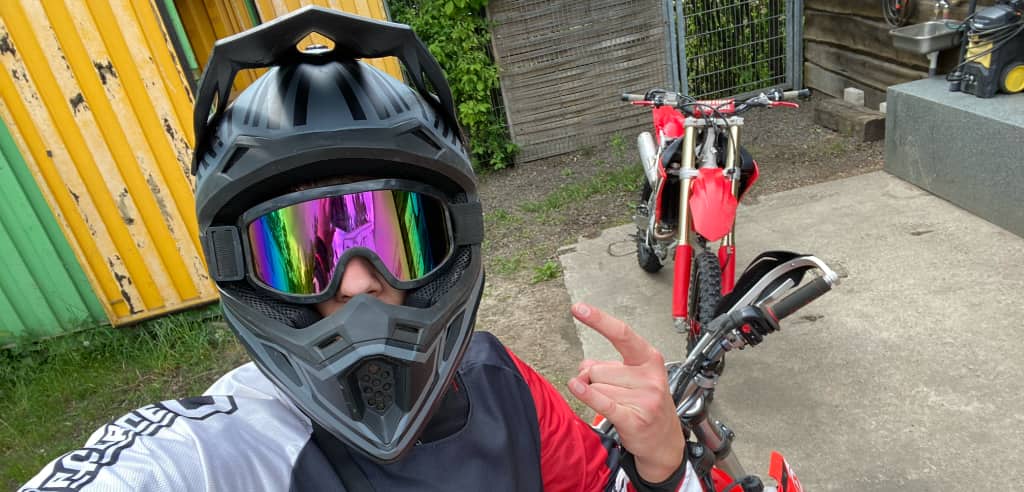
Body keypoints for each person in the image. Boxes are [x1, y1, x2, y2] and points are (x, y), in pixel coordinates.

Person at [20, 7, 697, 492]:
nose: (356, 283)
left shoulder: (501, 384)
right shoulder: (225, 451)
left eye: (392, 235)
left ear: (453, 239)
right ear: (241, 268)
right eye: (307, 250)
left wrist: (663, 465)